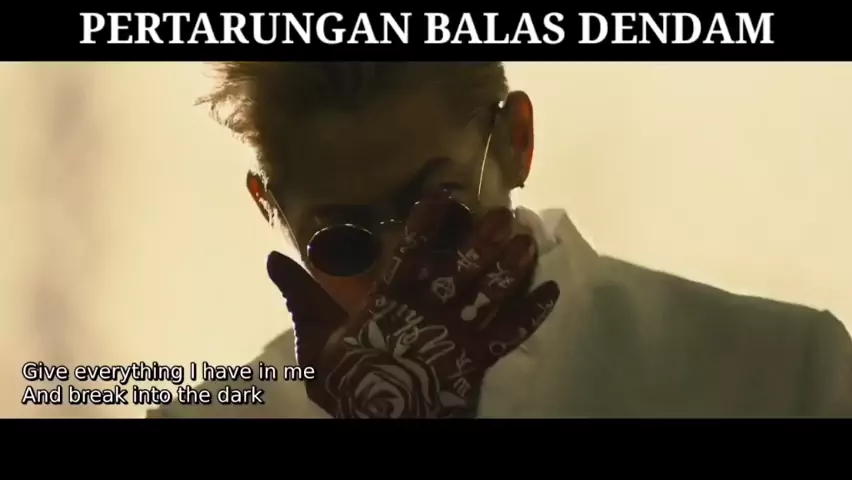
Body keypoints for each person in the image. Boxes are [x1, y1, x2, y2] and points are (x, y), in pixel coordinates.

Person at [149, 62, 851, 418]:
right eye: (345, 242)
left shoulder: (785, 375)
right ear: (269, 208)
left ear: (517, 142)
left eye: (439, 213)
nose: (398, 269)